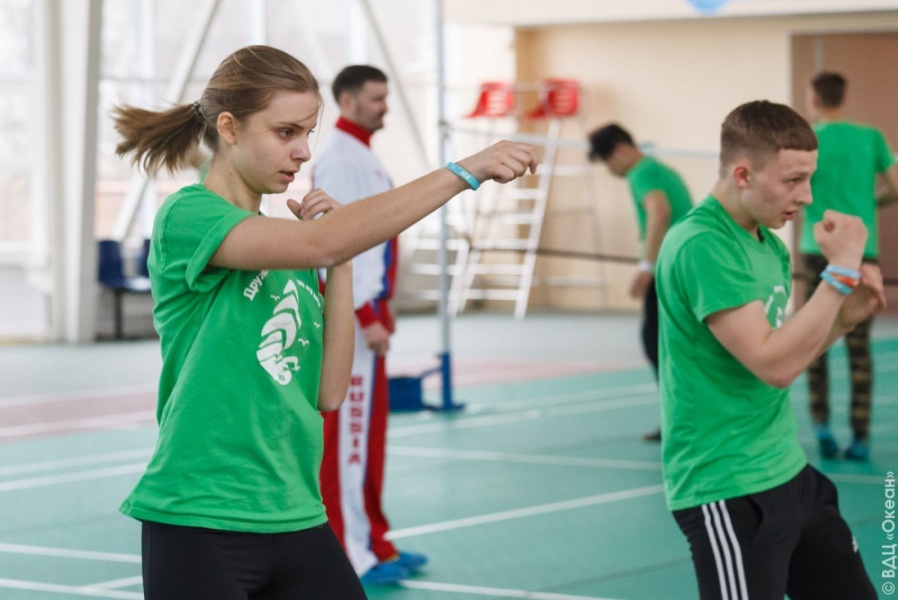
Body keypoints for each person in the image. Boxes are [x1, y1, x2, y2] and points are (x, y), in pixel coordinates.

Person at [111, 44, 536, 600]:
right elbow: (322, 241)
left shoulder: (293, 252)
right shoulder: (189, 216)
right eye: (285, 132)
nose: (303, 151)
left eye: (308, 133)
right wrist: (464, 172)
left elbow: (330, 391)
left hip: (296, 513)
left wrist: (341, 263)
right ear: (229, 128)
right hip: (201, 519)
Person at [658, 99, 885, 599]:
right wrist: (838, 274)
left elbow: (785, 351)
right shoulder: (702, 244)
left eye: (810, 179)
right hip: (728, 486)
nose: (807, 196)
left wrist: (843, 318)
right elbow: (774, 365)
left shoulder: (768, 244)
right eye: (793, 180)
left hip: (788, 470)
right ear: (743, 174)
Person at [313, 65, 425, 585]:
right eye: (376, 98)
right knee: (348, 440)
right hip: (352, 325)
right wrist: (363, 313)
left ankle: (374, 540)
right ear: (348, 100)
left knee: (367, 437)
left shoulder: (362, 156)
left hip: (369, 315)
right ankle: (349, 553)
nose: (385, 107)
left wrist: (381, 307)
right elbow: (333, 242)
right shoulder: (339, 158)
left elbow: (375, 241)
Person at [800, 71, 898, 461]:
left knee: (813, 339)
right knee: (859, 348)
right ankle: (860, 436)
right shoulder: (870, 137)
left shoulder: (808, 139)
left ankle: (821, 425)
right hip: (861, 250)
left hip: (817, 248)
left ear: (813, 98)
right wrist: (869, 202)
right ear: (842, 97)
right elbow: (897, 186)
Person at [587, 123, 693, 442]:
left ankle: (680, 419)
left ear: (621, 151)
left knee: (658, 343)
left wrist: (647, 266)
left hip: (668, 270)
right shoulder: (659, 169)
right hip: (684, 266)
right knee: (670, 343)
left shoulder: (642, 173)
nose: (610, 170)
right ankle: (683, 417)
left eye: (608, 162)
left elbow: (659, 211)